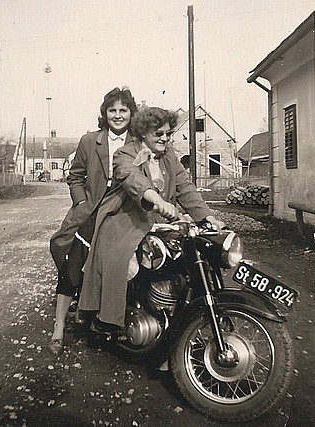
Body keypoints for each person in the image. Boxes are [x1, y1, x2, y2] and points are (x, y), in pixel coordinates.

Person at [78, 107, 224, 333]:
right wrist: (158, 201)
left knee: (192, 255)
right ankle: (108, 318)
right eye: (158, 134)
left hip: (160, 222)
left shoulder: (169, 157)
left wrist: (208, 217)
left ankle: (177, 312)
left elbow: (186, 188)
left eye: (168, 133)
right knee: (123, 262)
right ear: (143, 133)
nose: (164, 138)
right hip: (125, 220)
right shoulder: (125, 154)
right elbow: (132, 178)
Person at [48, 87, 138, 356]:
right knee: (73, 258)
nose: (118, 116)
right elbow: (74, 176)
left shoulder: (139, 142)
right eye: (113, 110)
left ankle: (113, 316)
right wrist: (81, 202)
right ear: (105, 113)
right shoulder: (90, 141)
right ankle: (59, 327)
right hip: (93, 208)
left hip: (125, 211)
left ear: (131, 114)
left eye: (123, 110)